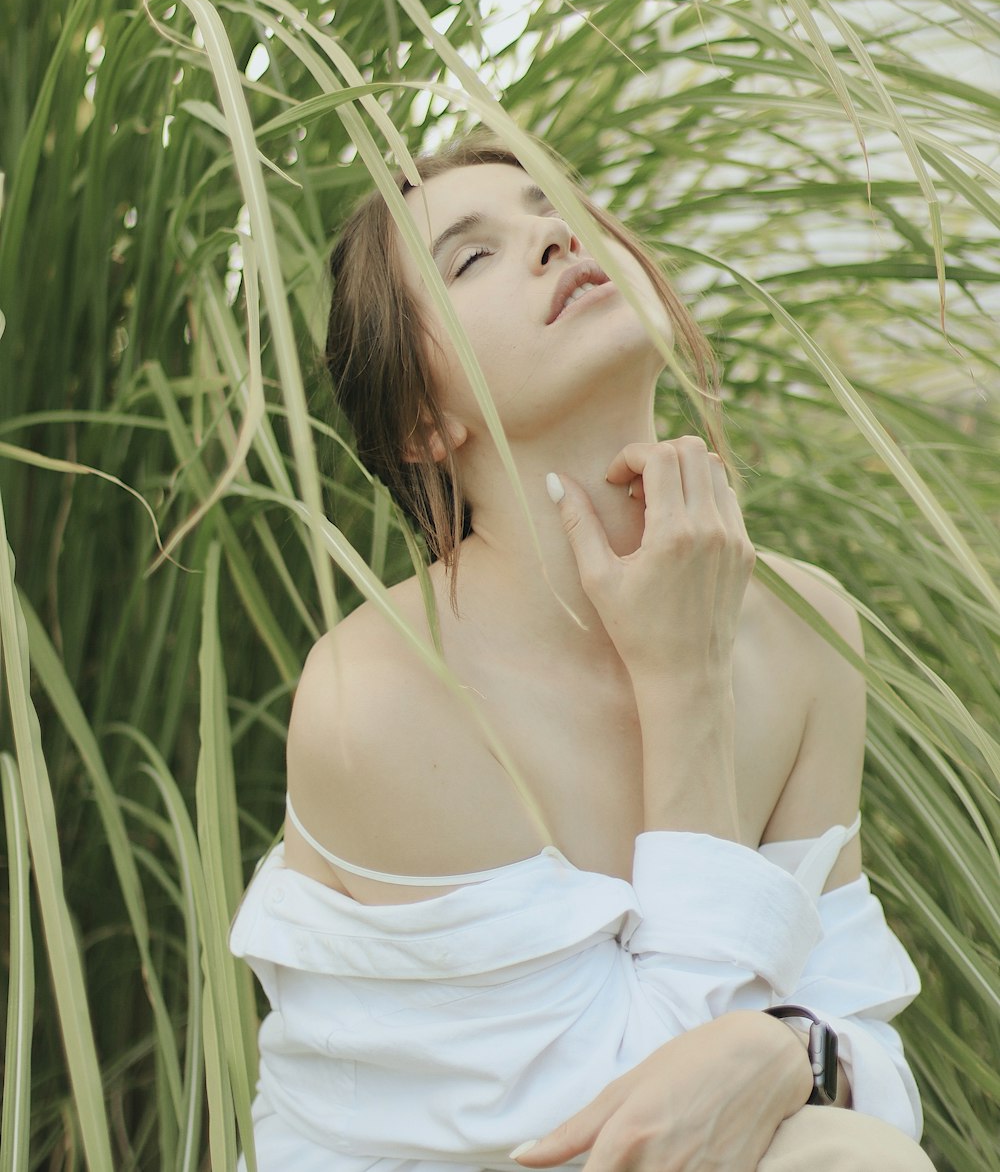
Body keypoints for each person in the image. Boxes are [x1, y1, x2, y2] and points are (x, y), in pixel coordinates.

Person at [229, 131, 935, 1172]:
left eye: (557, 206)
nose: (556, 236)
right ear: (424, 422)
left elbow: (862, 1049)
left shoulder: (804, 630)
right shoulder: (383, 694)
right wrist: (681, 685)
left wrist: (791, 1049)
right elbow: (636, 1140)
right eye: (472, 257)